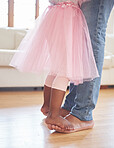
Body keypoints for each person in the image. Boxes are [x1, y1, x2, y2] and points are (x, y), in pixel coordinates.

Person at [42, 0, 114, 133]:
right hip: (66, 17)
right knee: (65, 70)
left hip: (55, 17)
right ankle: (57, 113)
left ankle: (79, 111)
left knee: (89, 37)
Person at [9, 0, 100, 131]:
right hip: (68, 20)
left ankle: (47, 106)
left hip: (52, 17)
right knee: (64, 71)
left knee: (55, 69)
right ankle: (53, 115)